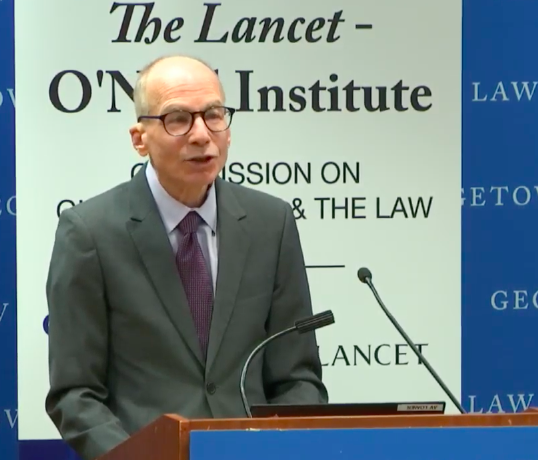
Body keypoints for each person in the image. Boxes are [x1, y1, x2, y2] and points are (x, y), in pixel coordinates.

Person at [44, 54, 328, 460]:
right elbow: (76, 394)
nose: (201, 135)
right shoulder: (90, 232)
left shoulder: (271, 222)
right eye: (177, 119)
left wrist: (275, 450)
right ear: (139, 139)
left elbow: (297, 378)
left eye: (213, 115)